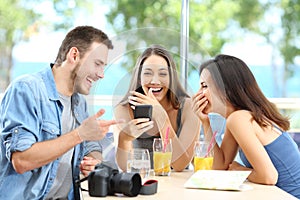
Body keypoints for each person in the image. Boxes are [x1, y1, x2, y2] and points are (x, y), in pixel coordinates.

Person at [0, 26, 119, 200]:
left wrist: (94, 163)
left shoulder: (79, 103)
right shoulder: (27, 90)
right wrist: (79, 134)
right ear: (74, 55)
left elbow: (90, 147)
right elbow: (22, 160)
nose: (101, 75)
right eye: (97, 64)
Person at [192, 54, 300, 198]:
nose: (198, 94)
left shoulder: (239, 118)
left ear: (226, 88)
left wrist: (239, 169)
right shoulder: (237, 118)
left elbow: (269, 177)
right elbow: (220, 166)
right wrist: (205, 122)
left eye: (204, 86)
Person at [114, 44, 200, 172]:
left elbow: (179, 164)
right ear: (139, 78)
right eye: (148, 73)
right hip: (142, 185)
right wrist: (124, 138)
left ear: (171, 78)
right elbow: (125, 167)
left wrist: (161, 117)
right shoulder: (124, 109)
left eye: (163, 74)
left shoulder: (188, 107)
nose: (155, 81)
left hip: (177, 187)